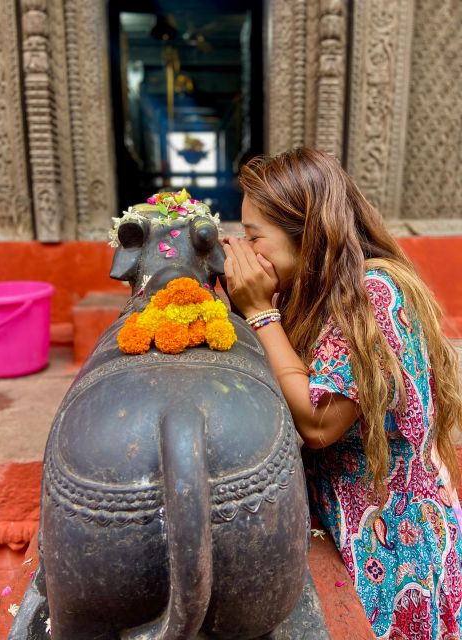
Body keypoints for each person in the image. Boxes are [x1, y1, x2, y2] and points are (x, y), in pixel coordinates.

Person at [222, 147, 462, 639]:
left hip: (395, 549)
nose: (244, 251)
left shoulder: (373, 292)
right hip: (345, 522)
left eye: (253, 238)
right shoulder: (309, 289)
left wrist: (259, 313)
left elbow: (318, 422)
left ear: (305, 232)